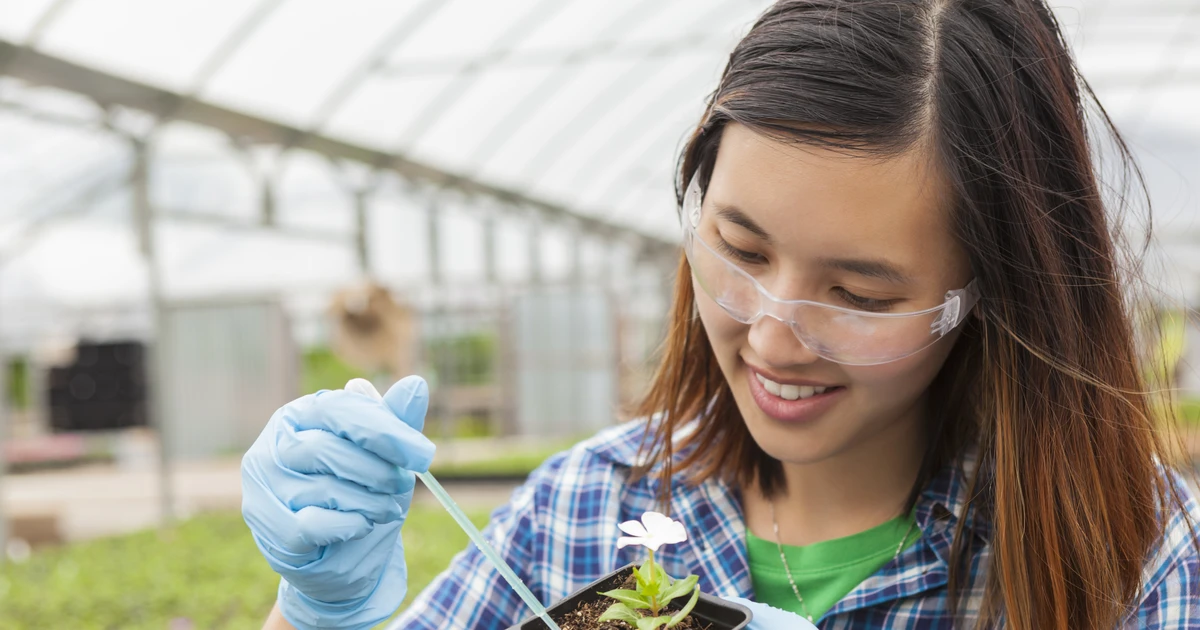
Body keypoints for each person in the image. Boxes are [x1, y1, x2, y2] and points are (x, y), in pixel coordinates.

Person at [240, 0, 1200, 628]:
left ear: (991, 296)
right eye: (740, 252)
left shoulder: (1132, 558)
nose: (775, 339)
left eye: (860, 297)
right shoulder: (583, 509)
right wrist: (323, 607)